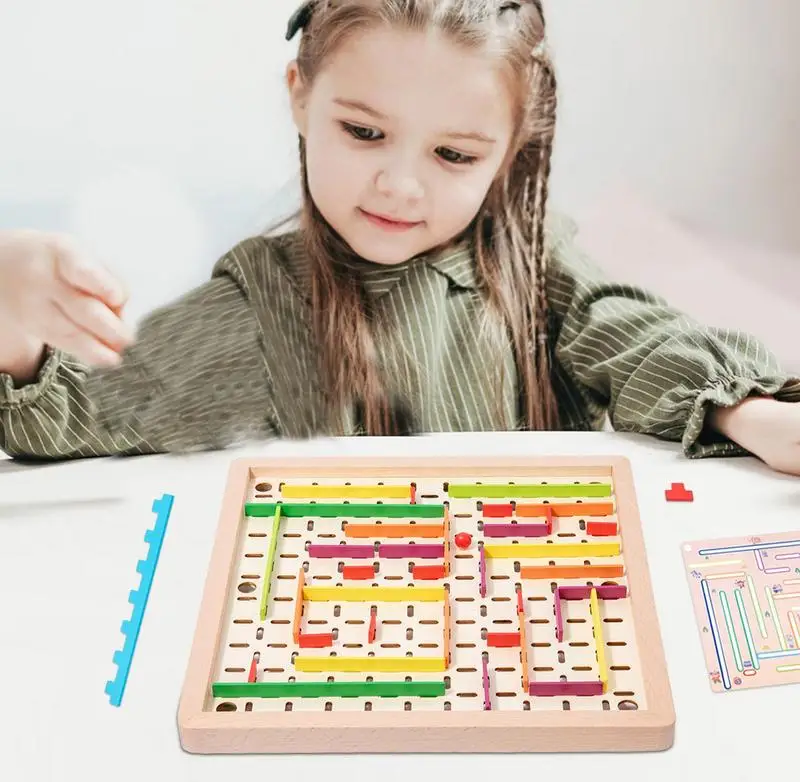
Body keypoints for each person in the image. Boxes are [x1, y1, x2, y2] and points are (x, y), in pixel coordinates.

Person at [1, 0, 798, 474]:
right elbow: (96, 411)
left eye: (453, 154)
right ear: (299, 95)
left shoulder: (532, 258)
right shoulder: (267, 301)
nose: (401, 185)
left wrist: (748, 413)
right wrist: (12, 319)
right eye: (364, 132)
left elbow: (634, 335)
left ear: (508, 150)